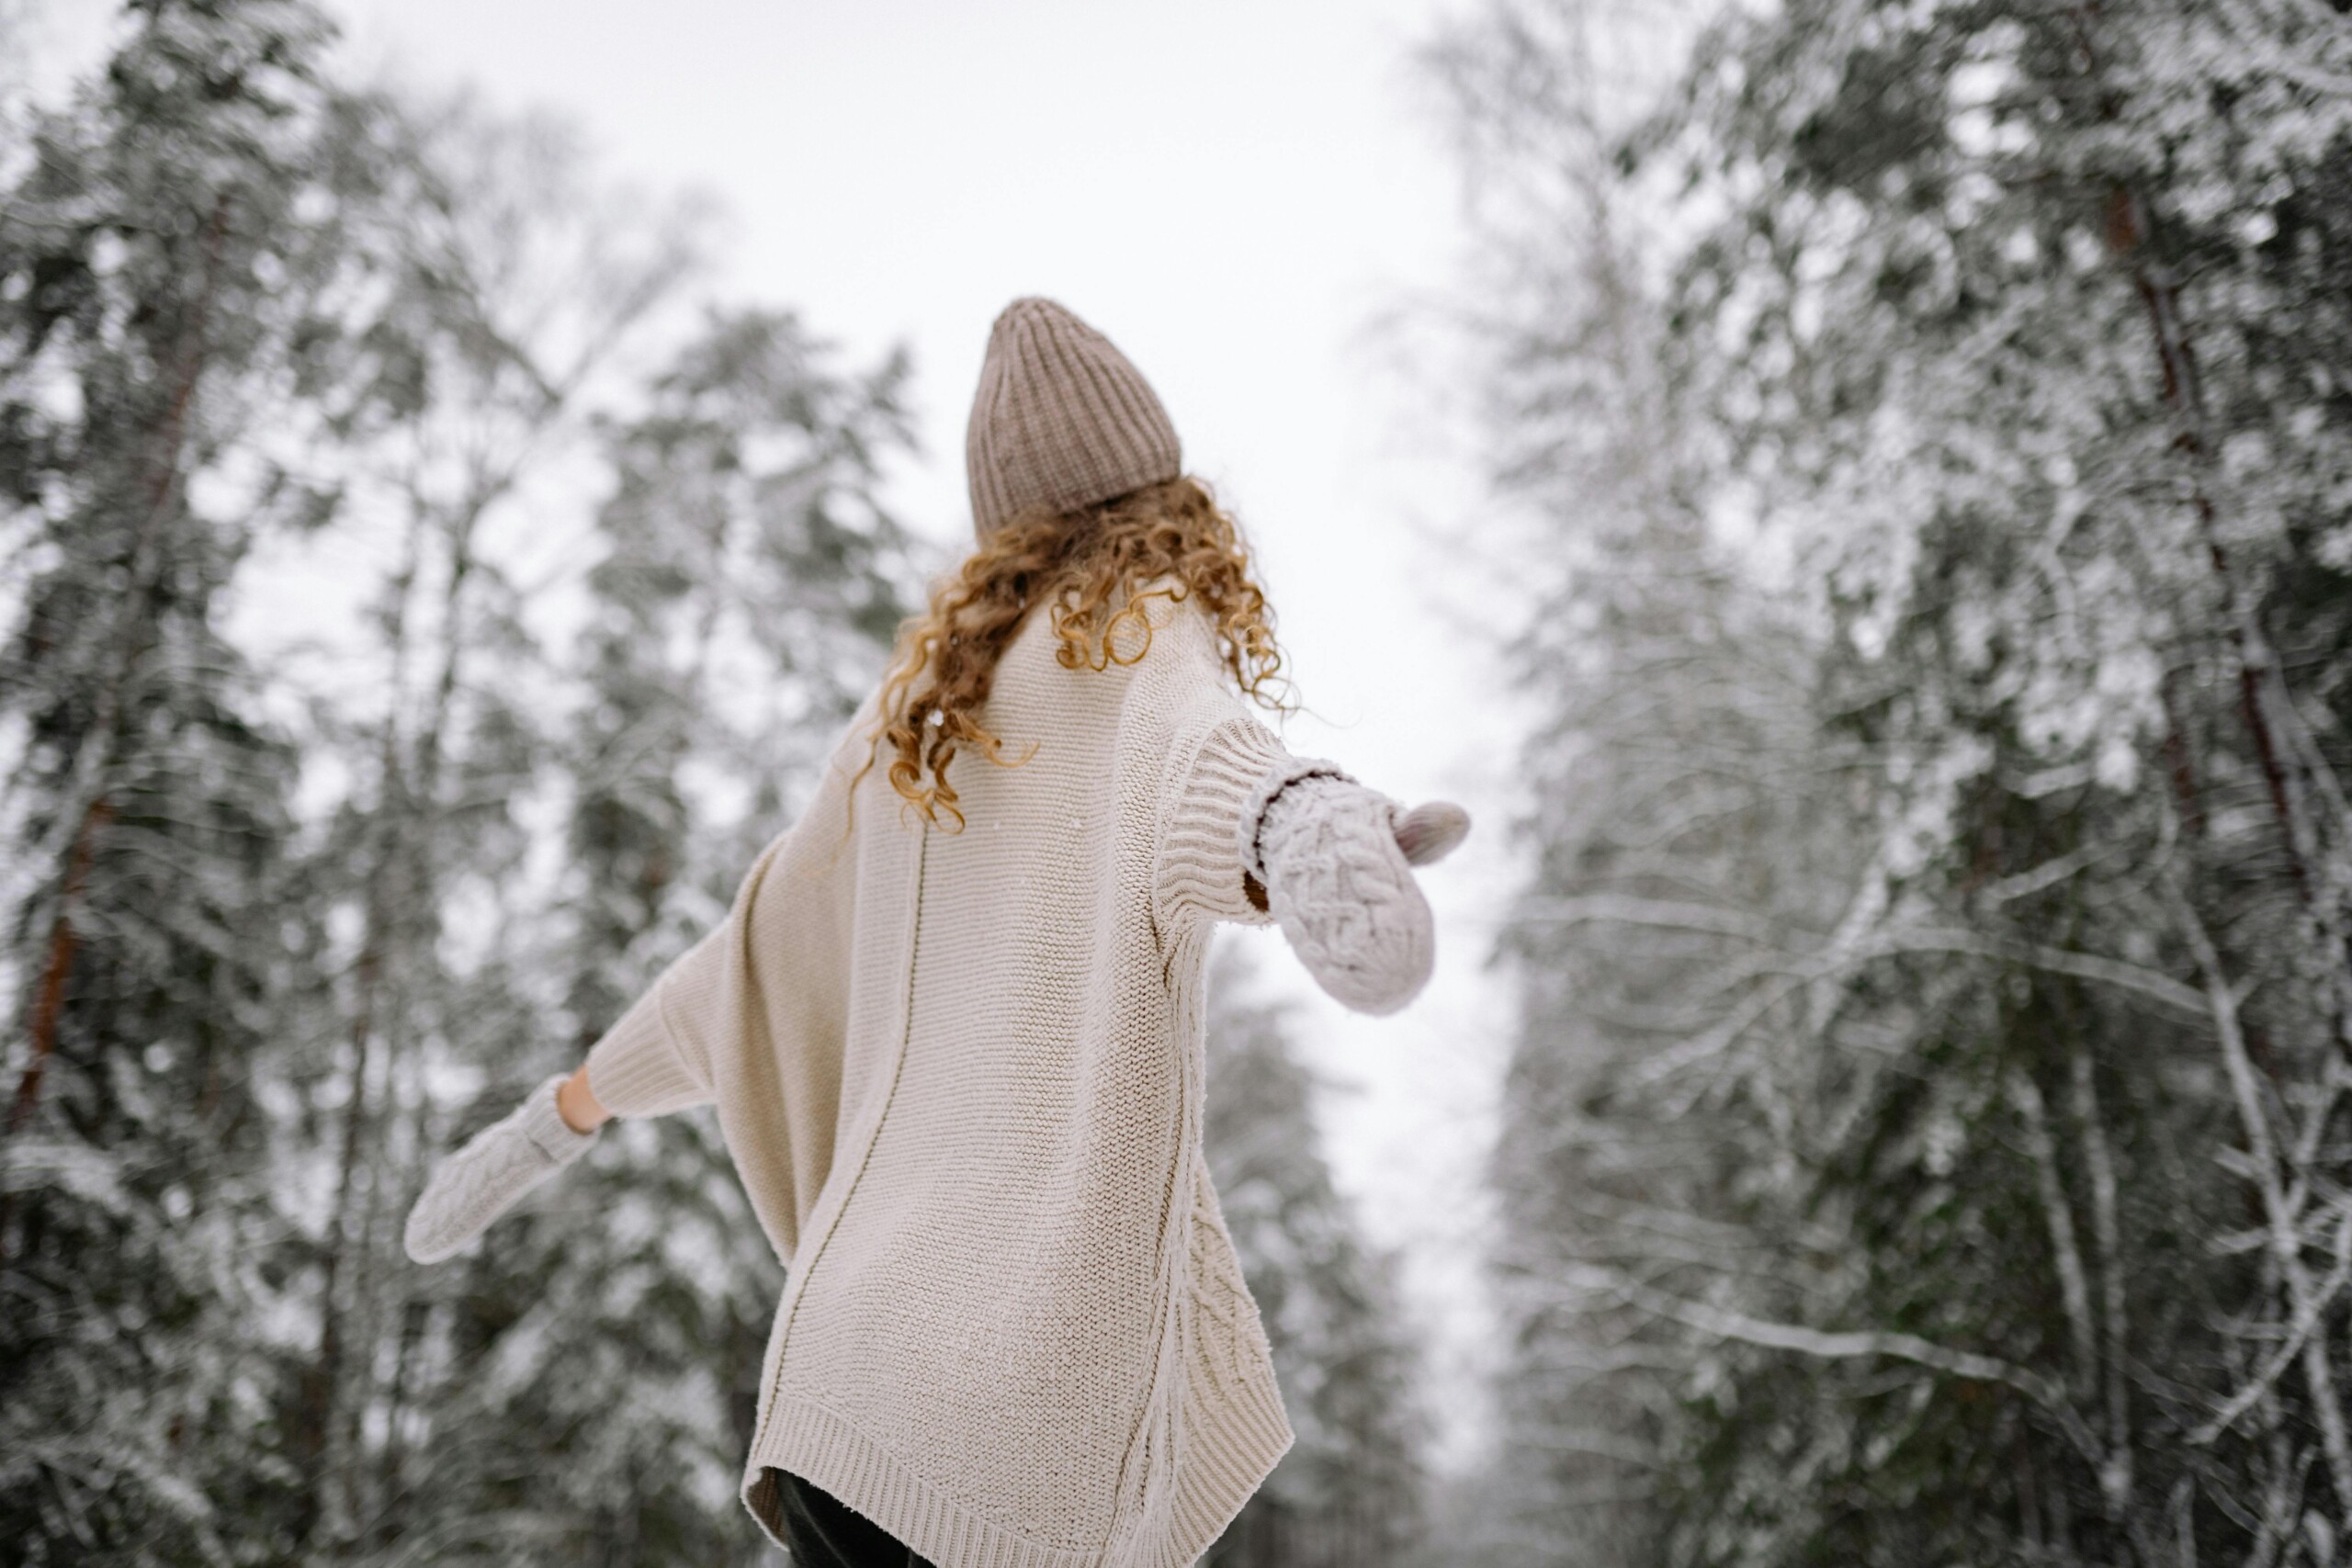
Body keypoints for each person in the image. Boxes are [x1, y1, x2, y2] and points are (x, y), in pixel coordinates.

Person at [401, 297, 1468, 1568]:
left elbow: (734, 982)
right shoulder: (1137, 627)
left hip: (837, 1398)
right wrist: (1293, 818)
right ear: (1163, 492)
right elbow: (1197, 759)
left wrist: (553, 1122)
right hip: (1011, 1423)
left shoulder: (900, 735)